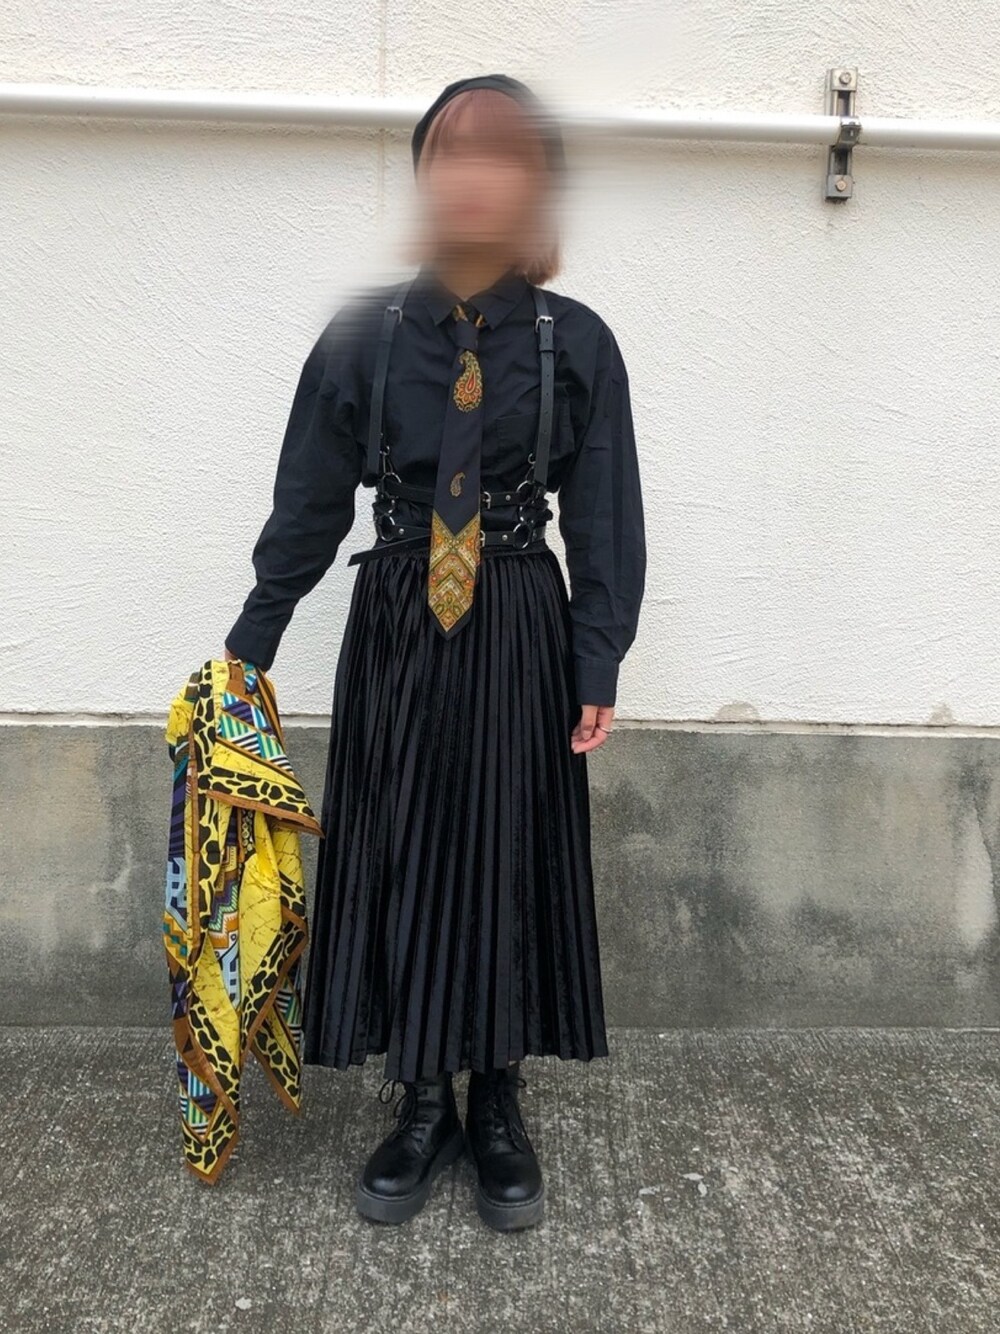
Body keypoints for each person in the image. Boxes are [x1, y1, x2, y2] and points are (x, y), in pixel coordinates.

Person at [223, 73, 646, 1232]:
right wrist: (252, 643)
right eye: (452, 154)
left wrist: (597, 657)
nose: (473, 179)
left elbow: (604, 511)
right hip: (399, 616)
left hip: (518, 615)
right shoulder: (365, 337)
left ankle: (496, 1094)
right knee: (403, 842)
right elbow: (309, 501)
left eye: (502, 157)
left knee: (506, 847)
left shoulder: (575, 343)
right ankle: (420, 1096)